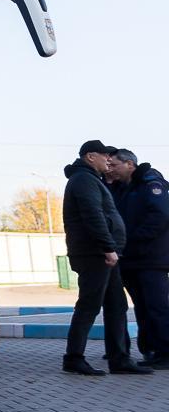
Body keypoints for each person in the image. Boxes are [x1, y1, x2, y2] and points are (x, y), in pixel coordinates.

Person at [61, 140, 150, 375]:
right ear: (91, 157)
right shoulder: (83, 180)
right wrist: (108, 247)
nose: (109, 160)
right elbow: (93, 215)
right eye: (105, 155)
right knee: (89, 305)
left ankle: (119, 359)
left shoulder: (92, 179)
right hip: (95, 254)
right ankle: (73, 358)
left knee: (117, 305)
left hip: (103, 253)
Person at [108, 148, 169, 368]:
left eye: (114, 165)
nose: (110, 169)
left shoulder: (150, 184)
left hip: (151, 258)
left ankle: (166, 353)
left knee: (157, 307)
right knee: (142, 308)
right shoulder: (121, 188)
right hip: (131, 259)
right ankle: (150, 351)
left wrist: (132, 239)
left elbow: (160, 216)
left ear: (129, 164)